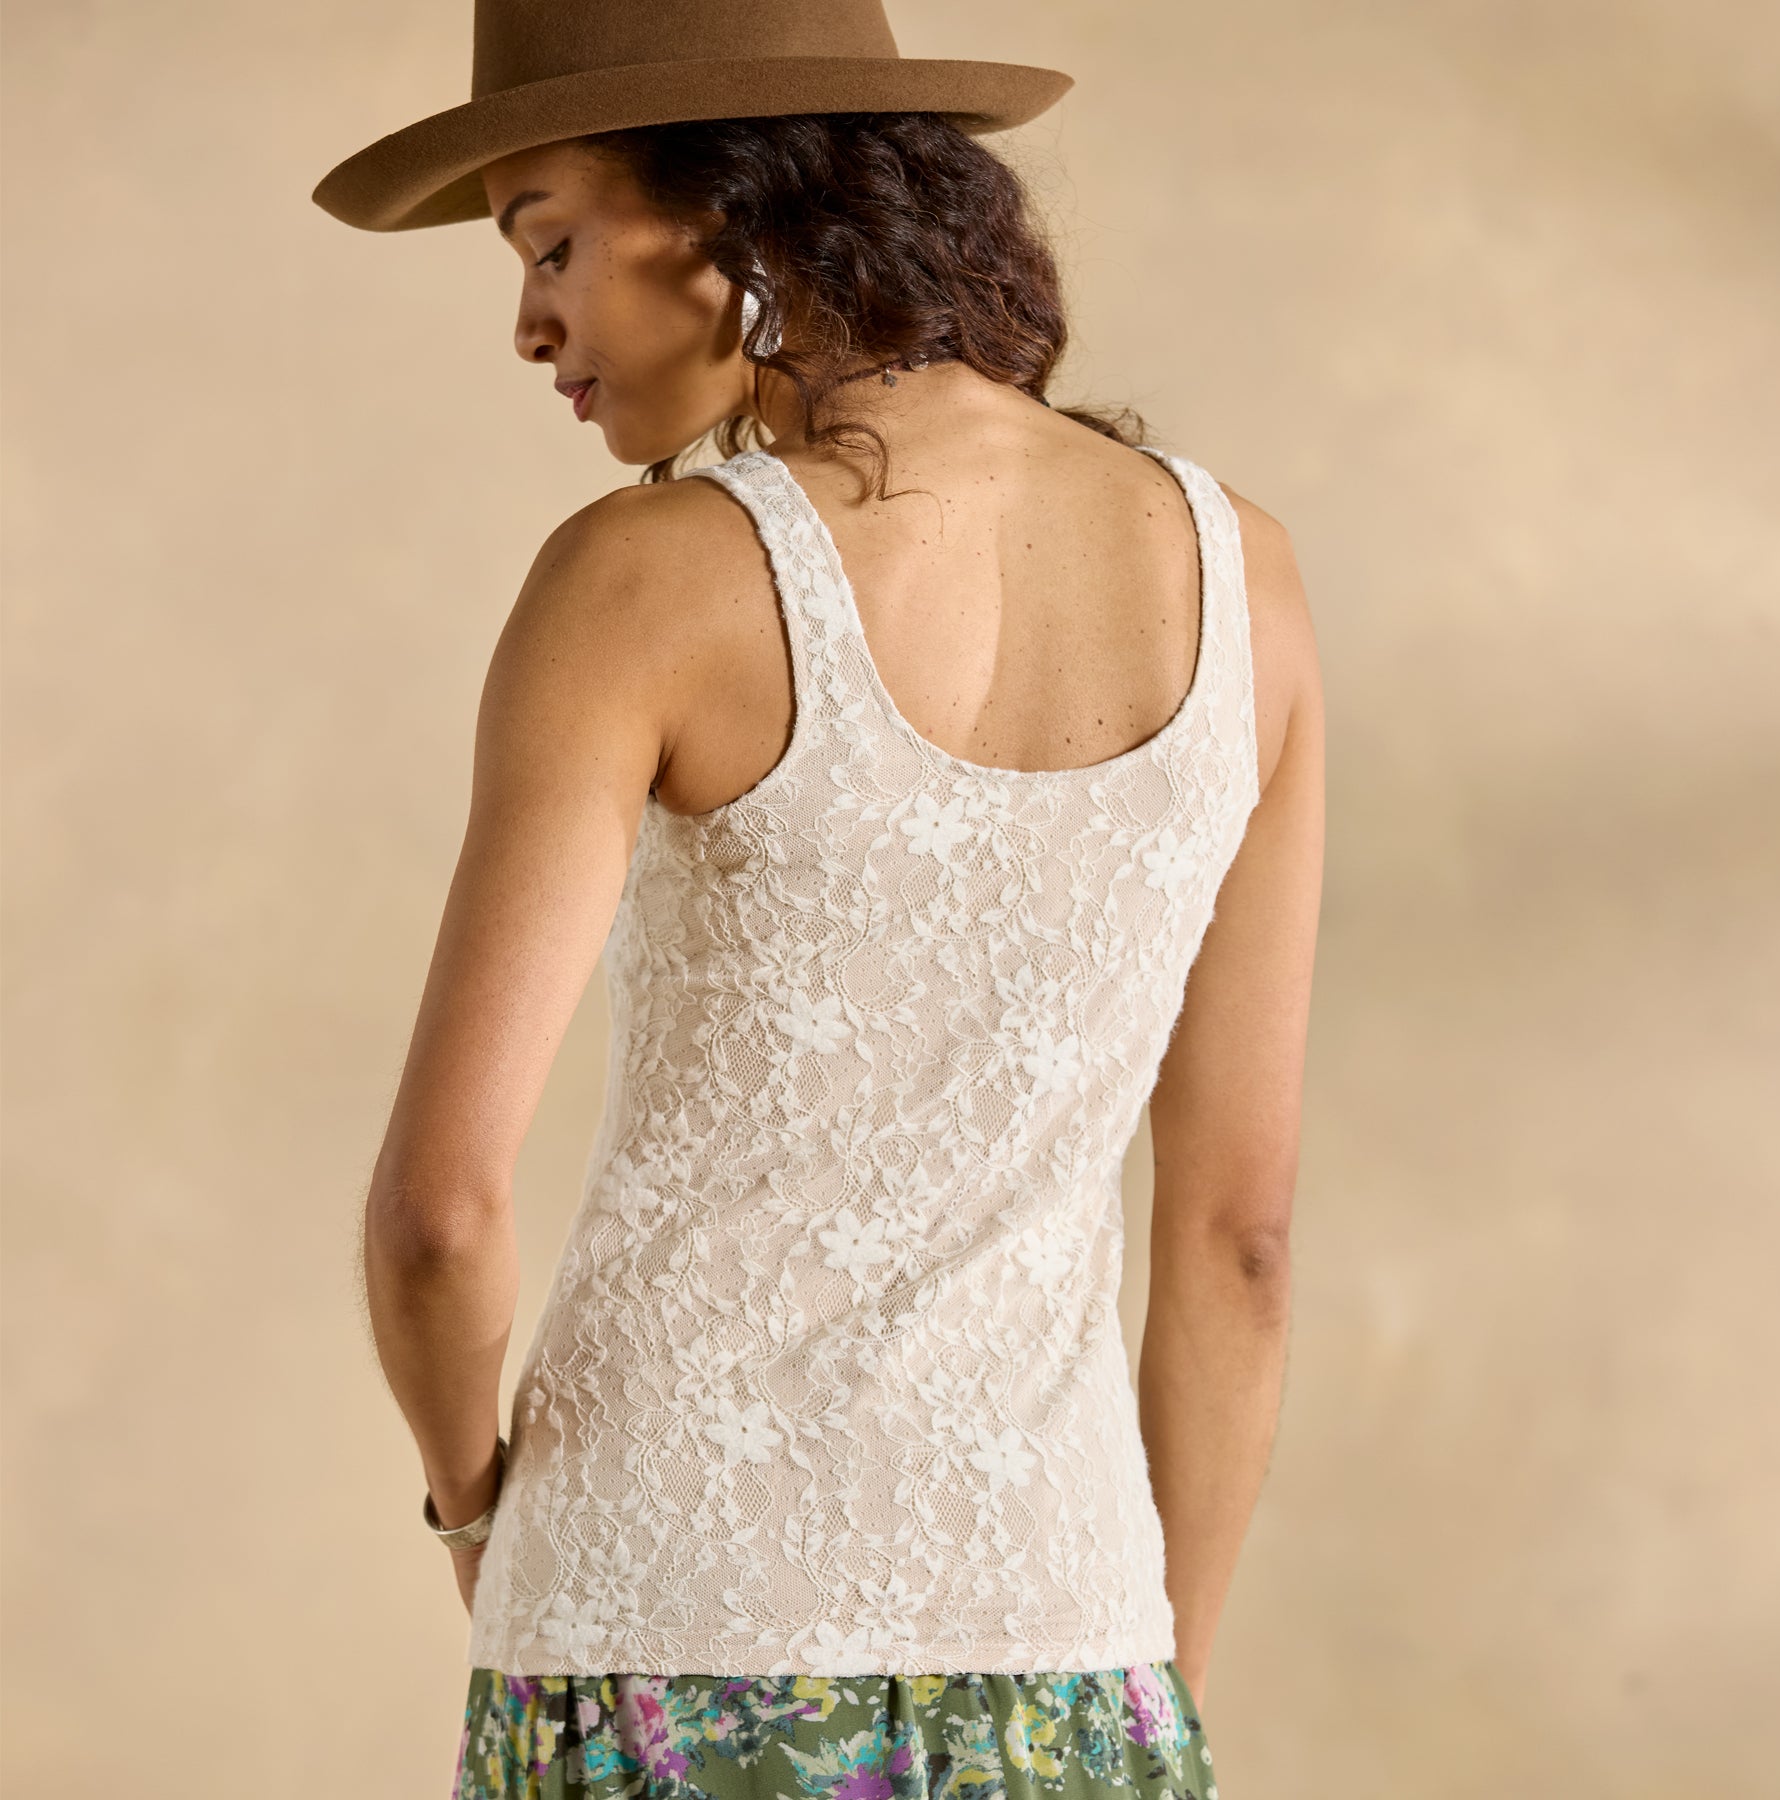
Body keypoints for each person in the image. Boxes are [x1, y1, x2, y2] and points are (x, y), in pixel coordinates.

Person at [314, 3, 1324, 1795]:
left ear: (731, 204)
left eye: (550, 242)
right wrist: (1149, 1689)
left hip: (657, 1631)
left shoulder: (641, 580)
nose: (529, 323)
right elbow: (1239, 1238)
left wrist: (477, 1520)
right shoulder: (1247, 577)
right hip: (1071, 1649)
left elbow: (435, 1217)